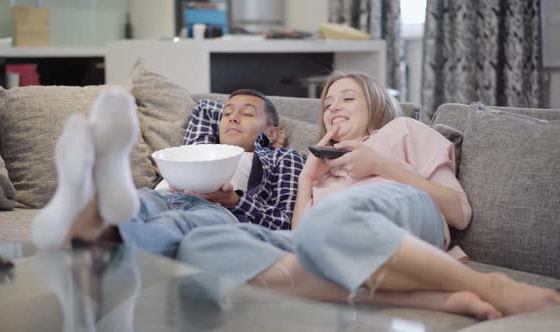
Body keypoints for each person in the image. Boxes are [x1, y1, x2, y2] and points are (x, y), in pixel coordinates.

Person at [167, 72, 560, 318]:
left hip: (404, 210)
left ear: (374, 104)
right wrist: (308, 180)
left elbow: (458, 213)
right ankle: (431, 299)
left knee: (332, 220)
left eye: (347, 98)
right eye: (328, 103)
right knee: (200, 244)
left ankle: (490, 286)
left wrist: (381, 165)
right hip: (331, 237)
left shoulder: (402, 131)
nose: (334, 107)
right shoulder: (319, 167)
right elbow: (304, 240)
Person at [32, 88, 304, 257]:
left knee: (175, 225)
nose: (232, 117)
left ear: (273, 131)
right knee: (137, 203)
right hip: (161, 193)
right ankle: (93, 205)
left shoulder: (282, 158)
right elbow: (204, 108)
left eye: (247, 114)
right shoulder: (201, 147)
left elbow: (284, 223)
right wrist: (234, 119)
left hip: (218, 211)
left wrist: (235, 200)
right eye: (227, 113)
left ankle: (92, 224)